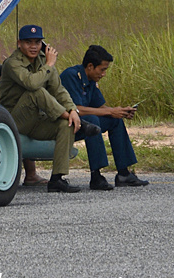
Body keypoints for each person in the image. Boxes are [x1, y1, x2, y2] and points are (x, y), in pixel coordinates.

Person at [0, 24, 100, 194]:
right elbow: (31, 83)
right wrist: (50, 64)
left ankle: (57, 179)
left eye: (38, 42)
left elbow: (59, 90)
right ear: (19, 44)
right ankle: (79, 121)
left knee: (66, 125)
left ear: (43, 45)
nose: (33, 46)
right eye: (28, 42)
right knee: (36, 92)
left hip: (35, 119)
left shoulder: (42, 61)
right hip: (13, 119)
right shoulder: (12, 63)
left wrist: (73, 110)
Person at [60, 45, 149, 190]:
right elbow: (76, 109)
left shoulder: (90, 80)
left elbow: (100, 107)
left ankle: (124, 173)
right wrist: (110, 111)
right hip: (68, 123)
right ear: (90, 66)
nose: (104, 74)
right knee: (93, 121)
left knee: (115, 120)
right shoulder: (71, 76)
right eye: (102, 69)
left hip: (84, 121)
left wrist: (119, 111)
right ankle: (96, 175)